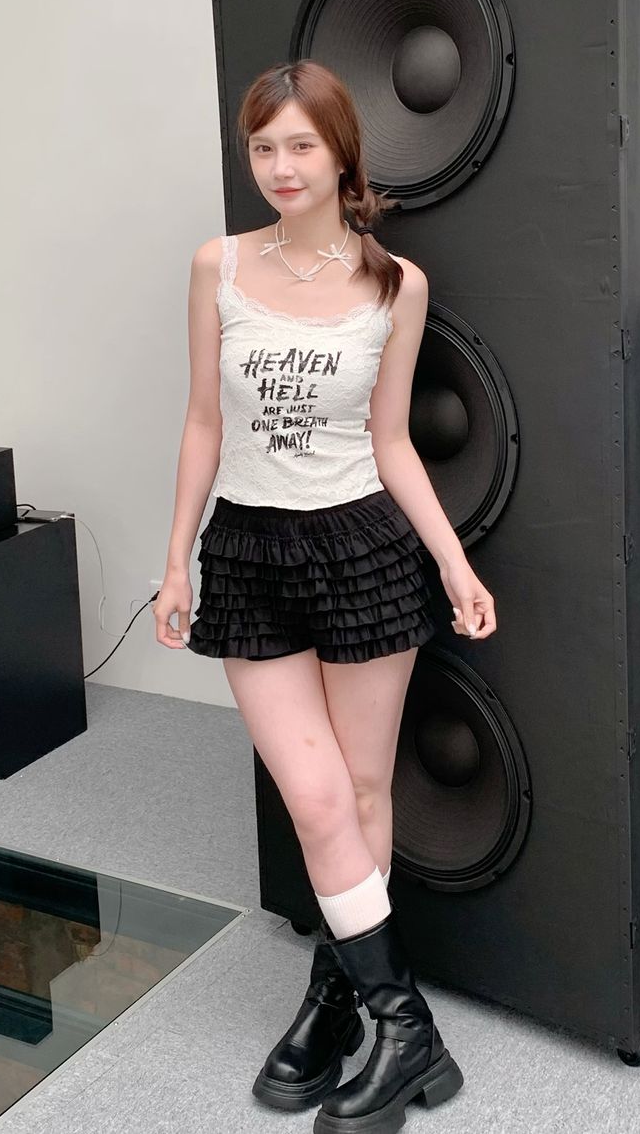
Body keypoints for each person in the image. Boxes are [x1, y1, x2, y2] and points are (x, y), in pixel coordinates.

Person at [154, 59, 496, 1134]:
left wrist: (452, 561)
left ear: (342, 151)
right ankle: (406, 1025)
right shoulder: (218, 265)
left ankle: (336, 1001)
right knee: (312, 797)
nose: (281, 166)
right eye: (263, 147)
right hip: (251, 552)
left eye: (300, 144)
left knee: (360, 789)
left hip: (361, 550)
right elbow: (204, 420)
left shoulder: (396, 285)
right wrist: (178, 559)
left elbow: (391, 442)